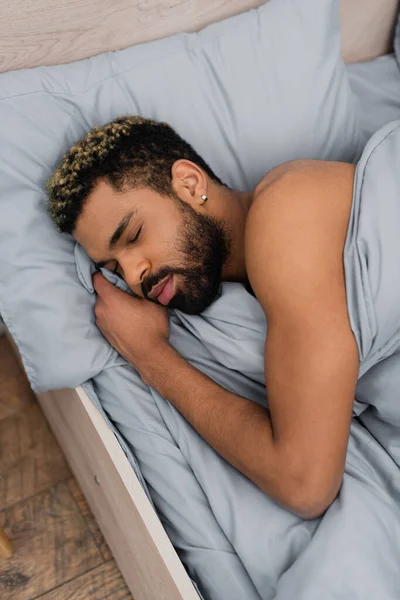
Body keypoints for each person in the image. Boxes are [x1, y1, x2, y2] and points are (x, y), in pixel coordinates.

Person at [47, 116, 359, 520]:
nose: (133, 276)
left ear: (190, 185)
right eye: (112, 267)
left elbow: (305, 485)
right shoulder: (252, 291)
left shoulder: (285, 211)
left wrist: (150, 357)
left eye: (134, 235)